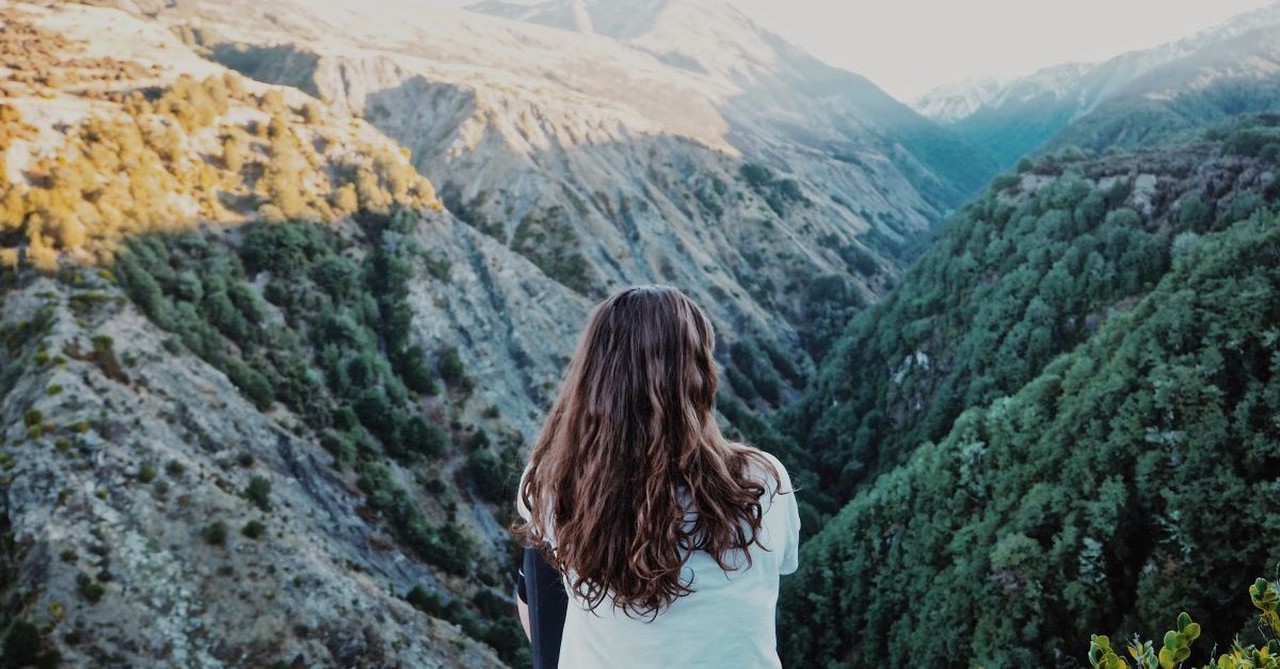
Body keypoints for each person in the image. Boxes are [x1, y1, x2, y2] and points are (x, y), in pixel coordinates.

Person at [511, 285, 800, 668]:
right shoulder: (762, 481)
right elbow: (781, 567)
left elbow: (535, 606)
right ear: (698, 376)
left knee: (539, 557)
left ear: (593, 380)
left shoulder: (554, 483)